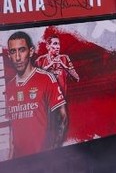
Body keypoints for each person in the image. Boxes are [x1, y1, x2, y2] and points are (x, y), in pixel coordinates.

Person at [4, 31, 69, 159]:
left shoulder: (46, 78)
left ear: (31, 51)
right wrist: (10, 159)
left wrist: (52, 152)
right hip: (19, 161)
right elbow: (12, 127)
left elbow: (62, 118)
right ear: (9, 55)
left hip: (42, 159)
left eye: (22, 50)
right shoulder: (9, 87)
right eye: (13, 51)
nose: (17, 57)